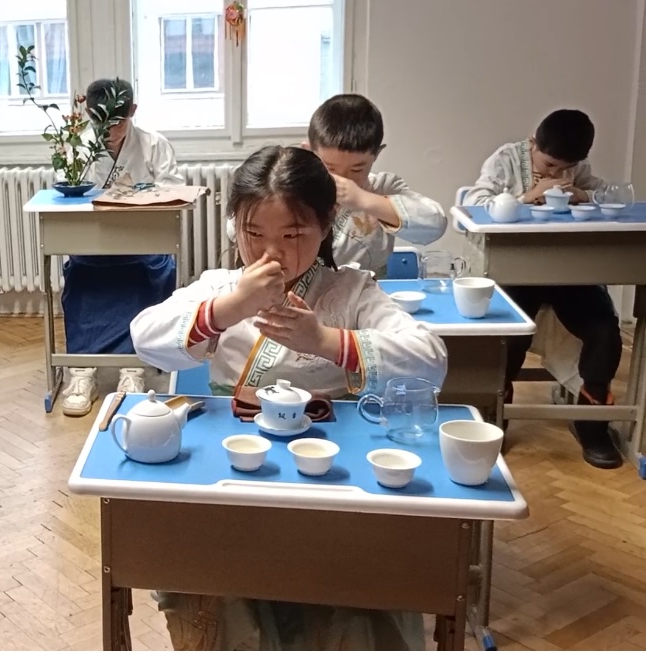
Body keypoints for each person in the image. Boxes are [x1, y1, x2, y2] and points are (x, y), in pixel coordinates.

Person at [130, 145, 447, 650]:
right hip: (236, 473)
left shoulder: (351, 291)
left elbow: (431, 360)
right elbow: (144, 334)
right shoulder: (220, 287)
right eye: (253, 233)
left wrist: (326, 341)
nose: (270, 254)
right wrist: (227, 309)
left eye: (292, 235)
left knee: (352, 596)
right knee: (213, 581)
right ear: (234, 226)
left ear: (326, 224)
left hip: (329, 472)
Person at [463, 109, 622, 469]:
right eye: (549, 164)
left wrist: (582, 194)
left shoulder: (576, 167)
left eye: (565, 167)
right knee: (510, 336)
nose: (556, 172)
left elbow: (607, 196)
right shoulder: (505, 159)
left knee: (605, 331)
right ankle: (495, 411)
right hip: (517, 270)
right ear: (533, 143)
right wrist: (528, 196)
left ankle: (592, 423)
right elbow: (473, 203)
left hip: (568, 272)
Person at [58, 77, 184, 418]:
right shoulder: (77, 147)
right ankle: (82, 371)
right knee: (80, 276)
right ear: (88, 114)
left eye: (118, 121)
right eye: (101, 122)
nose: (110, 131)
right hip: (93, 244)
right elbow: (66, 196)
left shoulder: (154, 145)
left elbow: (174, 191)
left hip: (143, 243)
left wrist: (142, 196)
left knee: (152, 272)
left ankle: (134, 368)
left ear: (133, 111)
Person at [305, 94, 447, 278]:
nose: (343, 179)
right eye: (330, 168)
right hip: (310, 290)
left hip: (369, 290)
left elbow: (435, 223)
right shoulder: (299, 189)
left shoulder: (382, 187)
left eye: (356, 169)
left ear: (376, 154)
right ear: (309, 151)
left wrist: (362, 199)